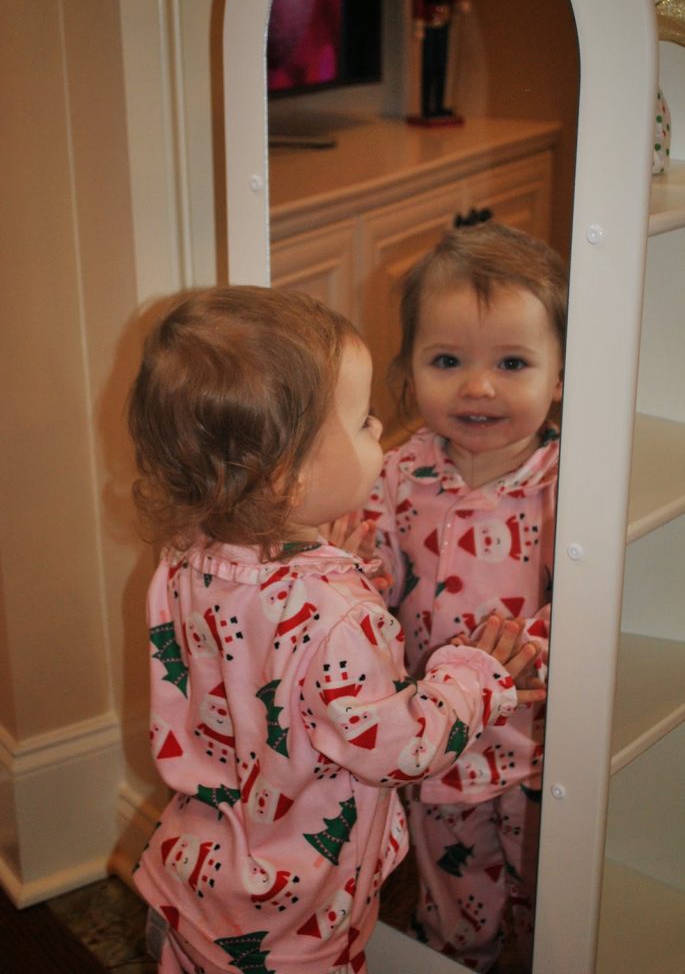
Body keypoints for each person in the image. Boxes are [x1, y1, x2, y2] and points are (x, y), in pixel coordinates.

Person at [127, 285, 546, 974]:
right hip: (294, 924)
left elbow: (263, 653)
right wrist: (475, 677)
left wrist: (334, 563)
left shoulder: (183, 556)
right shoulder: (337, 615)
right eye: (361, 423)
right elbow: (402, 748)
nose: (380, 429)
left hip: (196, 877)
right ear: (289, 479)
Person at [363, 224, 567, 971]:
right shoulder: (396, 472)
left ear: (559, 375)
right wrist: (355, 569)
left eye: (511, 363)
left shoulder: (571, 482)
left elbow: (591, 602)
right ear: (409, 369)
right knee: (453, 902)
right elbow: (373, 579)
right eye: (447, 361)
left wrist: (528, 649)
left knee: (552, 902)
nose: (477, 387)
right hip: (439, 739)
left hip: (540, 749)